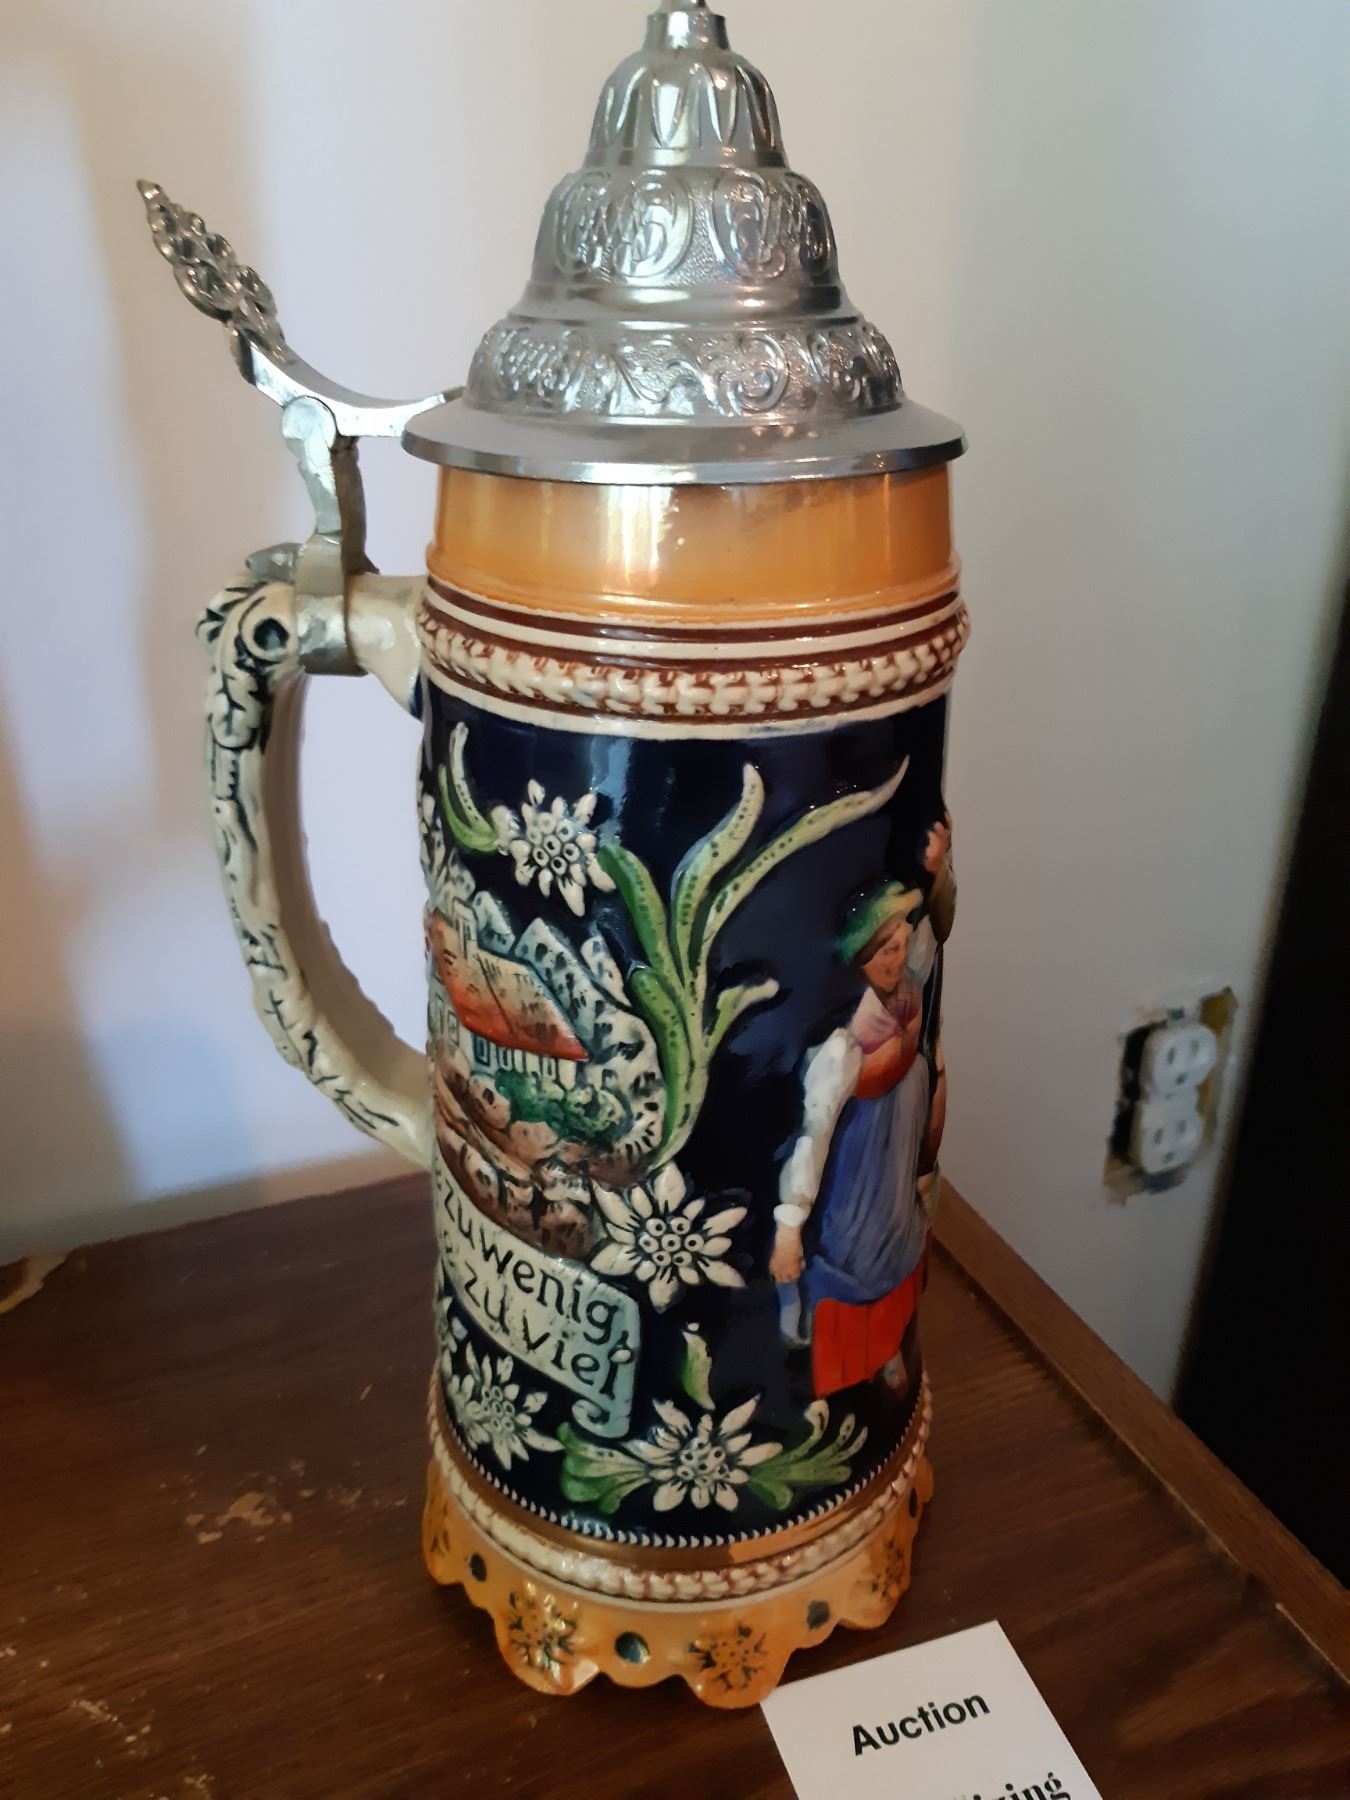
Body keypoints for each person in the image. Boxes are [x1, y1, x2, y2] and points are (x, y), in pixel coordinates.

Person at [771, 883, 932, 1399]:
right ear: (861, 958)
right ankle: (834, 1391)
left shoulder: (908, 996)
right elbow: (814, 1135)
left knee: (897, 1256)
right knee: (851, 1271)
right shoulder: (844, 1043)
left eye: (901, 945)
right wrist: (789, 1227)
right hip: (855, 1183)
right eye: (885, 951)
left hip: (895, 1177)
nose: (897, 959)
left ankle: (885, 1355)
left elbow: (933, 932)